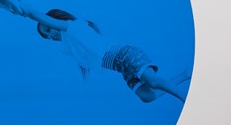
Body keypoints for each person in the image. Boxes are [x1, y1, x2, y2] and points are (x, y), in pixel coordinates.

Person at [34, 8, 190, 102]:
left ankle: (185, 99)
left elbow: (42, 18)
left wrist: (26, 11)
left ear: (54, 21)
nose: (50, 36)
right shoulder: (72, 45)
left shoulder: (75, 27)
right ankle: (184, 75)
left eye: (48, 30)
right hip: (122, 68)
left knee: (153, 82)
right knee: (147, 96)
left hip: (126, 55)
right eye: (46, 37)